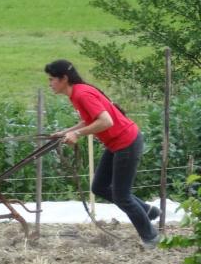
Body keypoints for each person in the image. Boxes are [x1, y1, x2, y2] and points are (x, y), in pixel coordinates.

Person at [45, 59, 161, 248]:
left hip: (126, 142)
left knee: (122, 196)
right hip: (117, 143)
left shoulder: (82, 94)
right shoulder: (76, 94)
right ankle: (148, 212)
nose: (49, 84)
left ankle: (150, 237)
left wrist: (76, 134)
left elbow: (106, 122)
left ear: (64, 78)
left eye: (52, 79)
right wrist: (66, 132)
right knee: (99, 187)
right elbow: (88, 120)